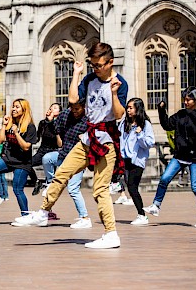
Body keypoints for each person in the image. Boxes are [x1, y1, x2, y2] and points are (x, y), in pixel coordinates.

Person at [11, 43, 128, 249]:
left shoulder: (120, 82)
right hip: (87, 139)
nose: (96, 69)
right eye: (93, 65)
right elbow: (73, 99)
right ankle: (44, 212)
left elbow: (119, 115)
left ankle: (111, 234)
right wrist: (76, 73)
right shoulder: (90, 78)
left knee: (100, 189)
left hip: (106, 140)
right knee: (62, 172)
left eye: (99, 65)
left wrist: (115, 93)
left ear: (110, 62)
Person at [143, 86, 196, 228]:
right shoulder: (181, 114)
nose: (186, 102)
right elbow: (167, 125)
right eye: (185, 99)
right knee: (164, 179)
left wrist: (191, 112)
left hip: (195, 158)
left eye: (189, 100)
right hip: (180, 155)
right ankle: (156, 206)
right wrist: (162, 110)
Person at [17, 99, 92, 229]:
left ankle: (84, 218)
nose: (74, 112)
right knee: (47, 158)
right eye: (72, 108)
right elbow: (59, 143)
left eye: (77, 109)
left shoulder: (88, 119)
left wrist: (85, 139)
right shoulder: (65, 116)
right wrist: (51, 123)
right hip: (63, 155)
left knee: (73, 189)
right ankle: (50, 183)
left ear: (84, 107)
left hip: (78, 158)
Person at [0, 98, 38, 221]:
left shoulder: (30, 127)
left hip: (22, 163)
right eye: (13, 106)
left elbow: (26, 147)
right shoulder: (10, 123)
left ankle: (25, 215)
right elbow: (0, 140)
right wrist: (4, 125)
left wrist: (16, 133)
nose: (13, 109)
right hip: (9, 159)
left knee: (17, 189)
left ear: (24, 110)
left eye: (17, 107)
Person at [119, 98, 155, 225]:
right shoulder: (125, 123)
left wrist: (140, 135)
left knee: (133, 187)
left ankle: (142, 215)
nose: (128, 110)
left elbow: (150, 143)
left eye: (131, 108)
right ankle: (141, 214)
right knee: (130, 187)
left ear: (137, 109)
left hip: (137, 161)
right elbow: (119, 137)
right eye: (127, 107)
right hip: (126, 159)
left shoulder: (145, 124)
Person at [30, 103, 61, 192]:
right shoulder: (43, 123)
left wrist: (52, 122)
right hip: (42, 151)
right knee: (28, 164)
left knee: (51, 181)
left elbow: (60, 144)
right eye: (50, 108)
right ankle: (36, 181)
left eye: (54, 108)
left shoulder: (59, 123)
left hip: (53, 152)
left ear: (59, 112)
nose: (51, 109)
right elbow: (37, 138)